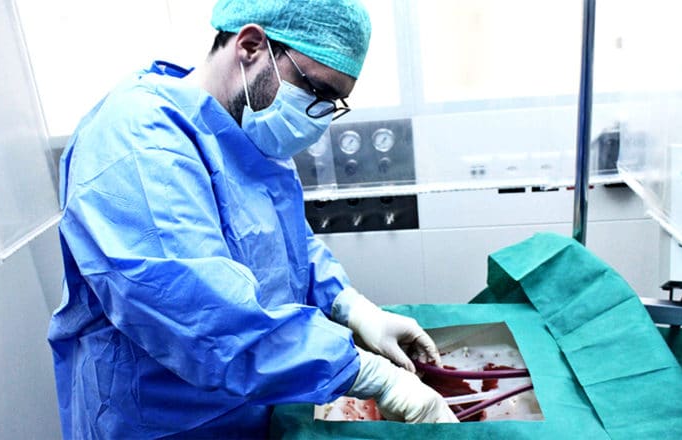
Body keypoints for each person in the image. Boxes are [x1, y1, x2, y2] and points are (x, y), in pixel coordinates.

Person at [48, 0, 458, 438]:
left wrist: (351, 306)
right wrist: (375, 377)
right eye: (316, 91)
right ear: (250, 46)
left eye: (333, 102)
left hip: (248, 405)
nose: (318, 114)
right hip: (164, 421)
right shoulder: (137, 141)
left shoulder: (244, 131)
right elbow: (203, 316)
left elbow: (282, 247)